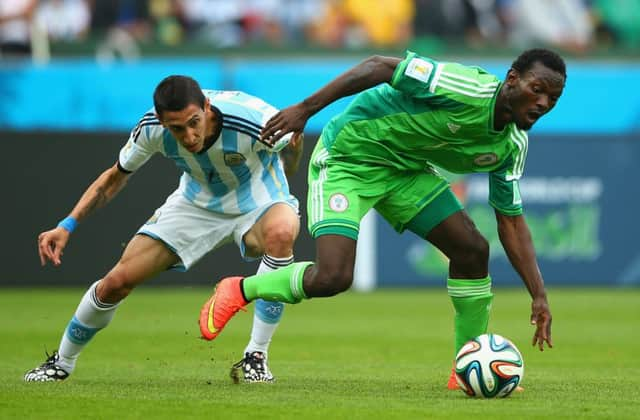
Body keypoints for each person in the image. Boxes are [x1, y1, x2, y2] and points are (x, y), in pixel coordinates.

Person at [198, 48, 565, 389]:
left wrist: (539, 295)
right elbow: (380, 66)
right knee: (333, 277)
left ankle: (465, 366)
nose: (544, 103)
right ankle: (240, 289)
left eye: (553, 99)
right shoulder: (464, 86)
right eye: (538, 90)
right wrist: (306, 109)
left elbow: (511, 222)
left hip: (405, 172)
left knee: (471, 250)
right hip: (349, 158)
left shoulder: (512, 145)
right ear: (512, 79)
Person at [24, 75, 303, 383]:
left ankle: (256, 355)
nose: (188, 135)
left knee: (281, 232)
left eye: (194, 122)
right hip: (194, 205)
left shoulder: (252, 119)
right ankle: (61, 362)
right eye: (177, 128)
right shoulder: (151, 128)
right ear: (161, 120)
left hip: (260, 201)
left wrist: (289, 163)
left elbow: (291, 147)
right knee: (116, 282)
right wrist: (67, 224)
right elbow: (115, 177)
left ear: (207, 107)